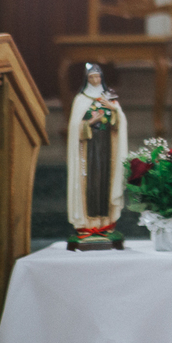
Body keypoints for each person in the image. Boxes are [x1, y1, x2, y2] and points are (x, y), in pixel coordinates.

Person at [67, 63, 128, 243]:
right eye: (92, 77)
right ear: (87, 79)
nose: (95, 80)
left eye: (98, 77)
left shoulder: (109, 98)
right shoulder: (80, 99)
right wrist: (90, 121)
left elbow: (119, 122)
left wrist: (113, 109)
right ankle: (89, 222)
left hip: (107, 145)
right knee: (91, 182)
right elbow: (74, 128)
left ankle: (105, 222)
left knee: (105, 180)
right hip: (88, 149)